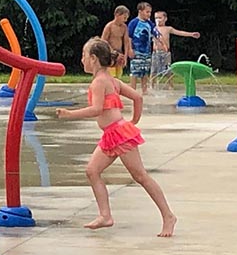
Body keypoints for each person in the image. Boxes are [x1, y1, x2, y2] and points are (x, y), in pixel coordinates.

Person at [55, 37, 177, 237]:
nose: (81, 60)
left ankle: (168, 216)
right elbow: (137, 97)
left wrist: (70, 114)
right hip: (113, 134)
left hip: (119, 135)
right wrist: (133, 120)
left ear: (93, 59)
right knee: (92, 171)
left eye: (84, 56)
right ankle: (105, 216)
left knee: (140, 176)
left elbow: (96, 109)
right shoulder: (112, 80)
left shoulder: (99, 82)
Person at [151, 10, 200, 89]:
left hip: (166, 52)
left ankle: (171, 85)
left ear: (165, 19)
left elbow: (179, 32)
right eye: (156, 18)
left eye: (160, 17)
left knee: (168, 70)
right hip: (155, 52)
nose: (158, 19)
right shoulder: (153, 29)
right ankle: (151, 86)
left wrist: (191, 34)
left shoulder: (168, 28)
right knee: (153, 70)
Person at [125, 2, 160, 94]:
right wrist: (130, 49)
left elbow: (156, 35)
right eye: (147, 12)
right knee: (135, 70)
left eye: (150, 12)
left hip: (147, 51)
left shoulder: (150, 24)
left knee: (145, 71)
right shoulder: (134, 23)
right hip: (136, 50)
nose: (149, 14)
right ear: (140, 11)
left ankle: (144, 90)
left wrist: (162, 45)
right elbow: (129, 37)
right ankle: (133, 89)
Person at [100, 5, 132, 77]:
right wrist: (112, 52)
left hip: (120, 53)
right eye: (124, 18)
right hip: (110, 53)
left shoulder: (124, 27)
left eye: (126, 18)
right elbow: (103, 41)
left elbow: (126, 42)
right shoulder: (109, 26)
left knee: (118, 76)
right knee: (111, 75)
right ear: (117, 15)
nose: (125, 20)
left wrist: (125, 56)